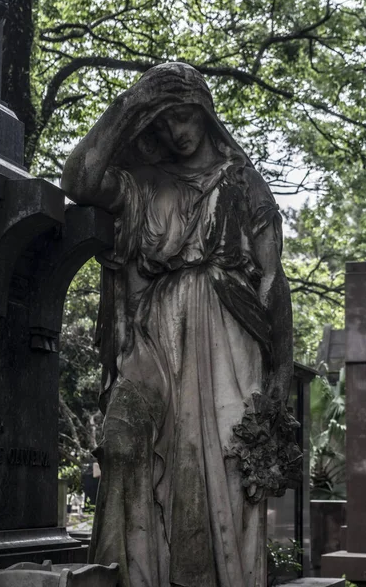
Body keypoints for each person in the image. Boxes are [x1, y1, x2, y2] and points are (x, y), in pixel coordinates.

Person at [62, 62, 300, 587]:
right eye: (164, 121)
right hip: (154, 336)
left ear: (208, 115)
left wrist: (282, 369)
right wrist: (131, 103)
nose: (177, 132)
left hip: (229, 339)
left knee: (215, 478)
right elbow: (79, 181)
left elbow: (273, 279)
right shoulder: (144, 184)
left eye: (186, 116)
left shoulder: (241, 182)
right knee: (124, 441)